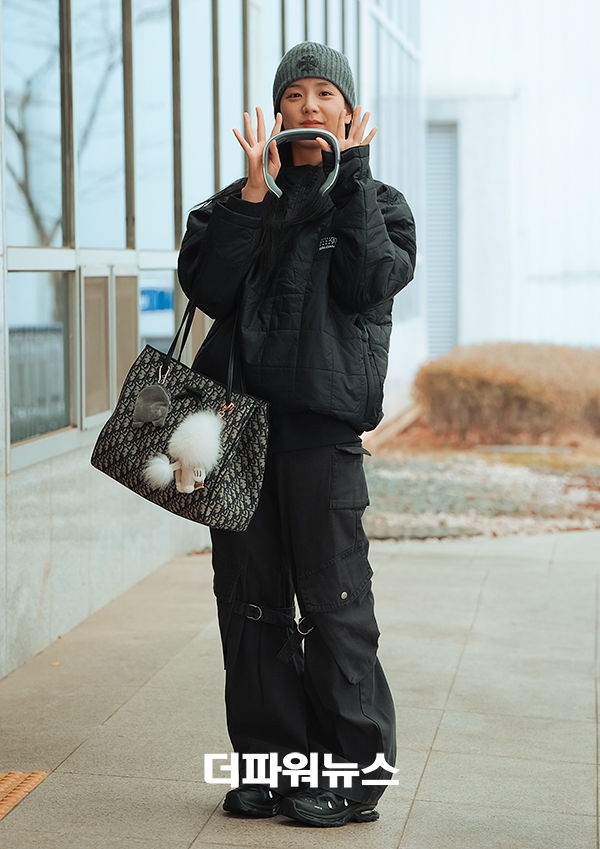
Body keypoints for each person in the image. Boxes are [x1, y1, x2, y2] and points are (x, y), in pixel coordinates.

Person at [177, 41, 416, 828]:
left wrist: (350, 178)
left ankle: (353, 779)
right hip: (235, 431)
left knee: (335, 600)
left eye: (324, 93)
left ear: (348, 111)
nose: (308, 105)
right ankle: (272, 767)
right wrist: (252, 194)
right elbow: (211, 288)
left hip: (321, 433)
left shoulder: (379, 206)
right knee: (250, 604)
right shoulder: (233, 203)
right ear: (276, 112)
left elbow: (368, 281)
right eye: (294, 94)